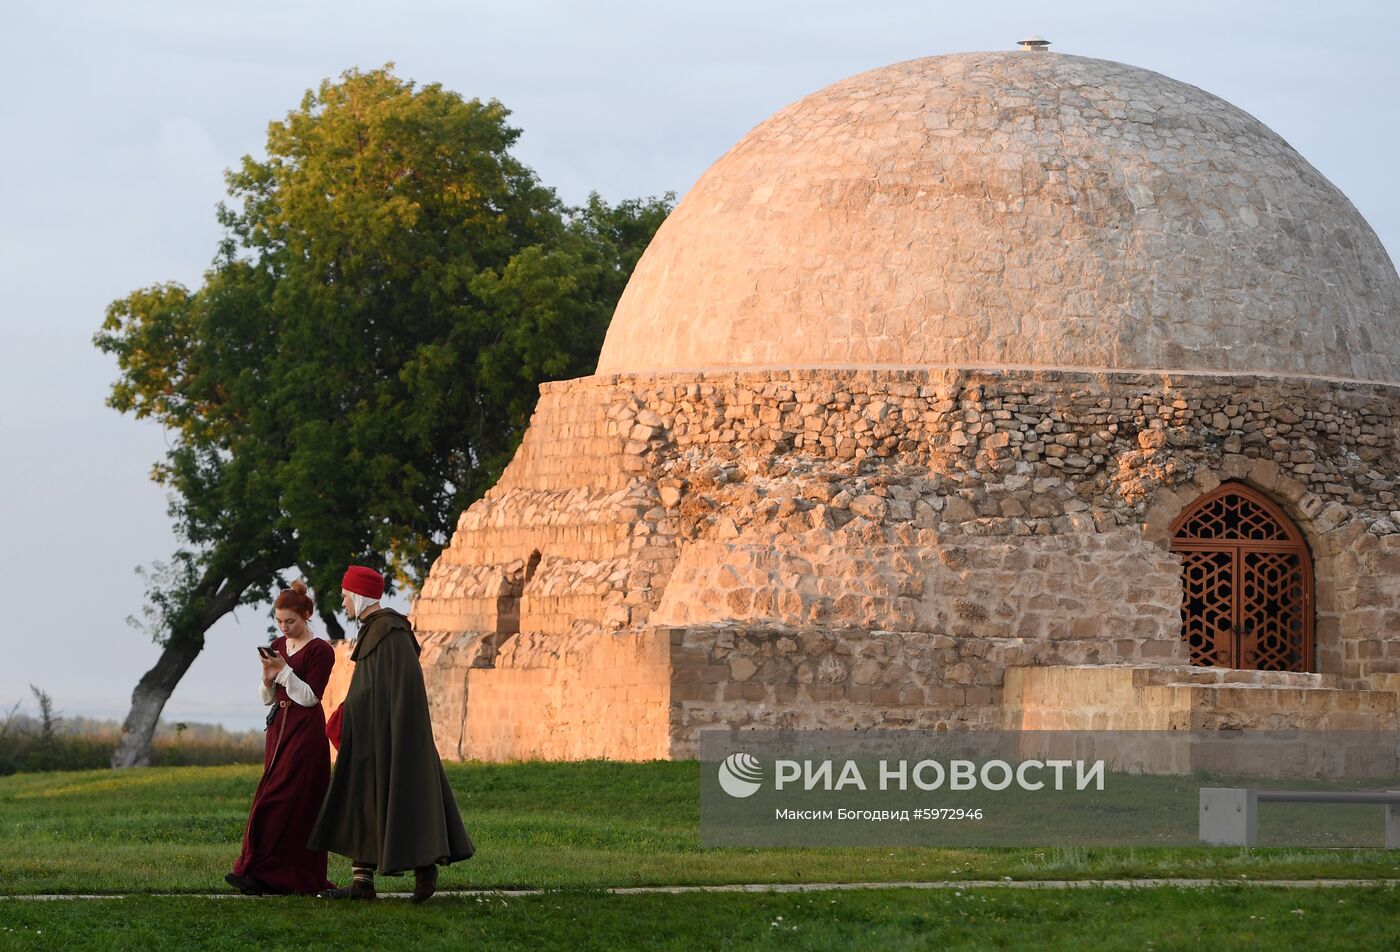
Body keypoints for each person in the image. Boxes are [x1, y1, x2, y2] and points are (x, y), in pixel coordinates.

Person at [311, 565, 474, 902]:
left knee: (404, 797)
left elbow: (402, 689)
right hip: (370, 734)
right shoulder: (374, 630)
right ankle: (362, 883)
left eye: (345, 596)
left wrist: (386, 725)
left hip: (393, 736)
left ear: (358, 595)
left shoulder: (391, 631)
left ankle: (424, 868)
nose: (342, 603)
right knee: (361, 799)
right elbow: (371, 686)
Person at [225, 580, 336, 896]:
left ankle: (280, 874)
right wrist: (267, 678)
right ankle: (258, 872)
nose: (285, 628)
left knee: (287, 802)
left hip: (304, 732)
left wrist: (284, 670)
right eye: (280, 621)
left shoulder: (321, 651)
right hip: (278, 730)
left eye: (291, 621)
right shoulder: (278, 645)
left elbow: (310, 697)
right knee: (269, 797)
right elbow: (267, 698)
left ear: (307, 615)